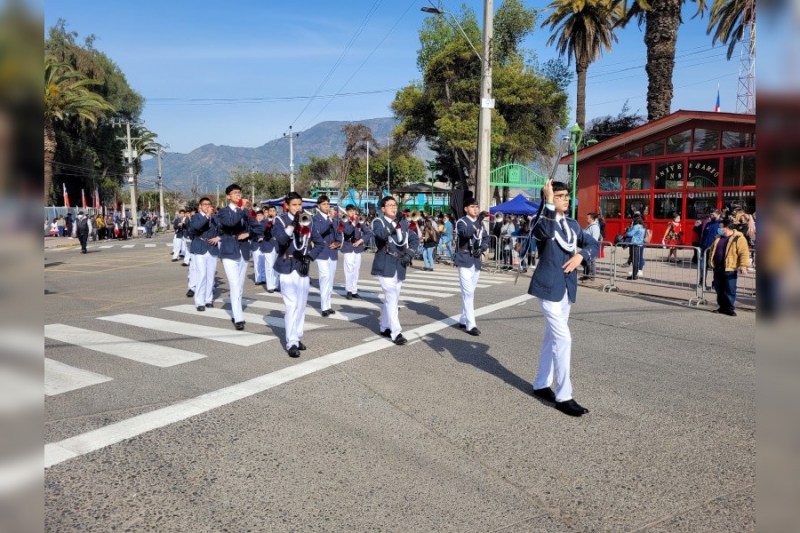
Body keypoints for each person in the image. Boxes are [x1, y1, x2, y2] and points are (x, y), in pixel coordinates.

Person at [528, 180, 599, 417]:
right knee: (563, 338)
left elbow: (593, 243)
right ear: (549, 198)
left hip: (567, 287)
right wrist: (548, 201)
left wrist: (581, 256)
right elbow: (545, 232)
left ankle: (540, 384)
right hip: (547, 287)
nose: (566, 199)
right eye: (560, 196)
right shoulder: (541, 221)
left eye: (567, 196)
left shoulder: (572, 224)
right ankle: (564, 396)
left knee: (551, 339)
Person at [274, 192, 324, 357]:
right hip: (287, 266)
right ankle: (291, 343)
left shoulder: (307, 220)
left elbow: (319, 243)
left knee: (301, 306)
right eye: (294, 205)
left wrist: (309, 257)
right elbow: (281, 241)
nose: (297, 208)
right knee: (291, 305)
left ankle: (297, 335)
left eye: (299, 204)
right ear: (287, 205)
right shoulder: (280, 220)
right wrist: (292, 226)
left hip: (302, 267)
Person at [371, 196, 419, 346]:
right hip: (385, 262)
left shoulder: (403, 223)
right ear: (383, 209)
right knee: (391, 297)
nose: (393, 207)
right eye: (390, 205)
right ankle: (396, 332)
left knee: (393, 298)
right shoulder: (378, 221)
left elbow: (414, 239)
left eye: (395, 205)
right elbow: (381, 235)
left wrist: (409, 254)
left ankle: (385, 326)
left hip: (399, 264)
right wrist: (395, 224)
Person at [217, 184, 252, 330]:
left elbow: (253, 226)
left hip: (243, 249)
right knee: (234, 284)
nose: (238, 194)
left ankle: (235, 311)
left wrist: (249, 233)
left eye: (239, 192)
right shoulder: (223, 211)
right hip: (229, 250)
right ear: (228, 196)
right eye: (235, 193)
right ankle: (238, 317)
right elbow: (230, 223)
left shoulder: (245, 211)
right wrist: (241, 209)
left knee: (240, 285)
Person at [454, 198, 489, 336]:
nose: (476, 209)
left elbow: (485, 238)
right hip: (464, 259)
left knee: (469, 292)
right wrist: (478, 221)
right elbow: (466, 233)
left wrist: (483, 248)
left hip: (475, 260)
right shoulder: (461, 222)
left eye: (477, 206)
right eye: (472, 206)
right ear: (466, 209)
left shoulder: (480, 224)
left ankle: (463, 319)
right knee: (468, 293)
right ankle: (471, 324)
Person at [709, 217, 750, 316]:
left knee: (729, 289)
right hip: (718, 267)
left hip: (730, 268)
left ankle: (729, 308)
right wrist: (710, 262)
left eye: (721, 227)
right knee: (719, 288)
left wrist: (743, 266)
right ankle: (722, 306)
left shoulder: (739, 238)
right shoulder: (718, 237)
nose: (719, 229)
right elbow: (712, 251)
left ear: (727, 228)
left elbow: (744, 253)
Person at [310, 196, 341, 317]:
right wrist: (329, 220)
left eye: (328, 204)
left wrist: (337, 242)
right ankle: (324, 307)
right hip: (321, 250)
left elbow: (338, 232)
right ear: (319, 206)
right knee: (325, 278)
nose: (327, 206)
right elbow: (318, 232)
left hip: (332, 251)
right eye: (324, 204)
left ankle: (328, 305)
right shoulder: (315, 219)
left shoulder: (334, 219)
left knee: (331, 280)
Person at [188, 197, 220, 311]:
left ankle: (208, 299)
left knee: (210, 275)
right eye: (205, 204)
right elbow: (197, 227)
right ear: (200, 206)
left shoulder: (215, 218)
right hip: (200, 247)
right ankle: (199, 301)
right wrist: (206, 216)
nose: (207, 206)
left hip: (212, 247)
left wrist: (218, 237)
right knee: (201, 274)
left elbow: (222, 229)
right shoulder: (195, 217)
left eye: (209, 204)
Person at [341, 204, 373, 300]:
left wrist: (361, 240)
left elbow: (369, 233)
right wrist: (353, 223)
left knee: (356, 270)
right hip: (348, 247)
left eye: (354, 211)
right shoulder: (344, 221)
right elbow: (347, 232)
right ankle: (349, 290)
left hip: (357, 248)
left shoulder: (360, 221)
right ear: (346, 212)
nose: (353, 213)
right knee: (348, 270)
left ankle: (354, 290)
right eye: (350, 211)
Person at [699, 209, 722, 288]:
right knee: (703, 266)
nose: (711, 216)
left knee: (715, 267)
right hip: (705, 248)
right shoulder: (708, 224)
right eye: (711, 214)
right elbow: (703, 235)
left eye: (713, 215)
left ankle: (715, 283)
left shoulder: (720, 224)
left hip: (715, 249)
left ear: (718, 215)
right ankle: (702, 282)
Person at [249, 208, 269, 286]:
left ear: (263, 216)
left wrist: (263, 237)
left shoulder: (266, 224)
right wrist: (257, 237)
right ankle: (258, 279)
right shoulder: (252, 224)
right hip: (255, 245)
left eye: (261, 215)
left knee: (264, 262)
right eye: (258, 215)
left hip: (264, 245)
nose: (259, 217)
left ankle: (263, 278)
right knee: (257, 262)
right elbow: (251, 234)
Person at [580, 213, 601, 281]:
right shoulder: (590, 226)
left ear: (591, 219)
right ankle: (586, 275)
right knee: (585, 261)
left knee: (591, 262)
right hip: (586, 246)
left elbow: (594, 238)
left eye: (587, 218)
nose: (586, 219)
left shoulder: (594, 227)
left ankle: (591, 276)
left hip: (591, 247)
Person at [263, 206, 280, 293]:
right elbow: (264, 233)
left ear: (276, 213)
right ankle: (270, 286)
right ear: (268, 212)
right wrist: (269, 224)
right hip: (268, 245)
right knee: (269, 266)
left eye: (273, 211)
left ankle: (276, 284)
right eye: (270, 211)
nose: (272, 212)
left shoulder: (279, 222)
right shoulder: (265, 221)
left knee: (276, 266)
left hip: (277, 245)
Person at [625, 215, 646, 280]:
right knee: (636, 260)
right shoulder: (643, 226)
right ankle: (635, 274)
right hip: (639, 243)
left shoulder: (636, 226)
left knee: (634, 260)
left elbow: (630, 234)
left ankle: (633, 276)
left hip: (634, 243)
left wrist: (627, 230)